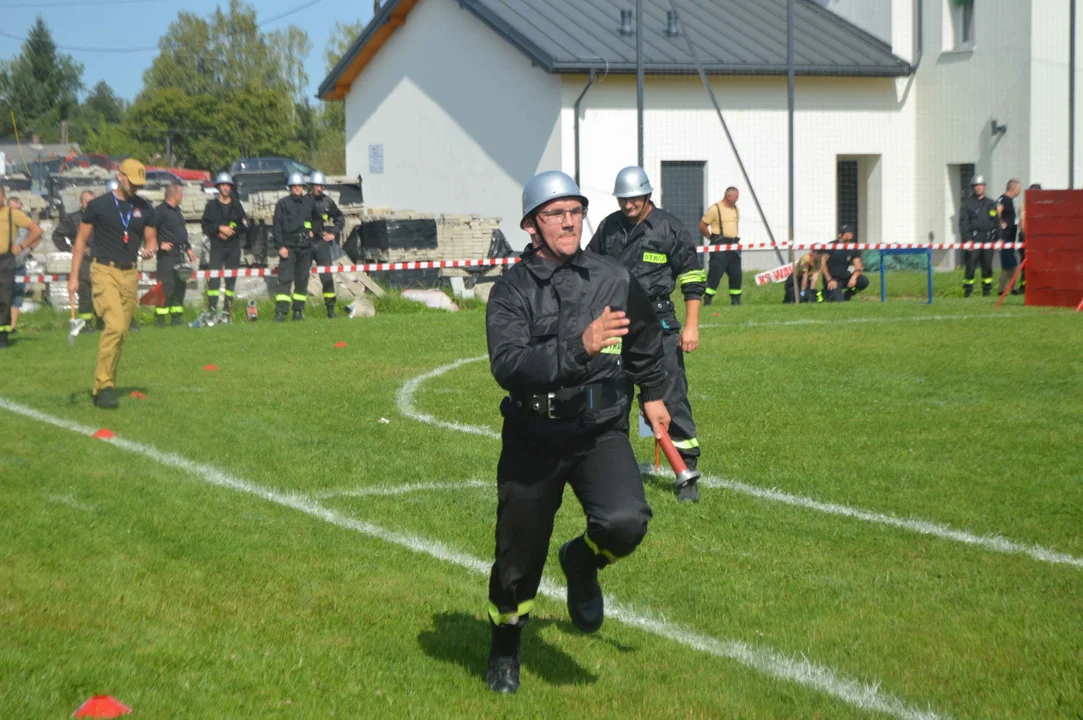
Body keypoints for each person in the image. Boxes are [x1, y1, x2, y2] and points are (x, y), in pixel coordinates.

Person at [483, 171, 670, 694]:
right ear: (531, 226)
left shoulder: (612, 277)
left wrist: (654, 395)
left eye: (575, 211)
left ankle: (580, 563)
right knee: (517, 562)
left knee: (626, 522)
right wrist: (580, 347)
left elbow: (645, 341)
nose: (569, 221)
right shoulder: (510, 291)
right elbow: (510, 365)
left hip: (598, 430)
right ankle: (504, 645)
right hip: (533, 436)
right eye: (555, 213)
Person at [587, 166, 705, 501]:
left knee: (670, 394)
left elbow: (692, 277)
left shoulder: (668, 227)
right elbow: (591, 269)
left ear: (647, 195)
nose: (628, 205)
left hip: (658, 323)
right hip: (617, 321)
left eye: (634, 198)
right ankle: (610, 464)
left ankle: (687, 471)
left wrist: (692, 325)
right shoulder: (609, 227)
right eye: (623, 199)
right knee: (611, 394)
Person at [68, 159, 157, 409]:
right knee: (115, 326)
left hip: (130, 274)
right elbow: (80, 242)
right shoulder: (99, 206)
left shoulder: (144, 208)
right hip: (103, 271)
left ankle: (104, 387)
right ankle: (104, 385)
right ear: (120, 176)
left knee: (121, 334)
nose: (136, 188)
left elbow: (151, 240)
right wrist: (74, 277)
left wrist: (151, 250)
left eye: (140, 183)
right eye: (133, 182)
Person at [272, 173, 321, 321]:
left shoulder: (309, 203)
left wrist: (314, 230)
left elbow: (318, 220)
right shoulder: (283, 204)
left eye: (300, 186)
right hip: (289, 248)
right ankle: (281, 312)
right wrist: (280, 246)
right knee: (285, 279)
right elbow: (277, 227)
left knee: (302, 280)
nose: (298, 188)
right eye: (295, 186)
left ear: (303, 188)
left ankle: (298, 312)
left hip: (305, 247)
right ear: (290, 188)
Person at [201, 172, 248, 322]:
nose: (225, 188)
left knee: (230, 279)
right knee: (214, 278)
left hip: (233, 246)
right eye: (222, 185)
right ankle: (212, 310)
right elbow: (205, 226)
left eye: (228, 185)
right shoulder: (211, 206)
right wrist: (219, 229)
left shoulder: (236, 205)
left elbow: (244, 225)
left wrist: (231, 231)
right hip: (217, 246)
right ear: (218, 187)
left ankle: (227, 310)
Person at [0, 188, 43, 348]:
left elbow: (37, 231)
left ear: (3, 197)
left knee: (4, 300)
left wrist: (22, 247)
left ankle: (3, 337)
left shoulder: (12, 214)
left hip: (5, 260)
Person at [53, 190, 98, 333]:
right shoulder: (74, 219)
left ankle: (102, 321)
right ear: (81, 203)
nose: (91, 205)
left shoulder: (101, 218)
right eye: (87, 202)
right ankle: (87, 324)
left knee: (102, 292)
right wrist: (69, 249)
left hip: (100, 259)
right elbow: (57, 235)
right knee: (85, 292)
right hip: (83, 259)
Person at [155, 183, 196, 328]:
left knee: (180, 286)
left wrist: (188, 248)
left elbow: (181, 233)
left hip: (179, 255)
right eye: (181, 194)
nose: (182, 196)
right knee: (167, 287)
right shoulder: (160, 211)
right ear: (174, 196)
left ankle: (176, 317)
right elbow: (149, 232)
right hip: (166, 256)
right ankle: (160, 319)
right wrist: (160, 245)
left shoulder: (177, 211)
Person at [308, 171, 346, 318]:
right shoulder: (304, 201)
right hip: (306, 243)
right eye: (316, 185)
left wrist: (333, 233)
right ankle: (298, 312)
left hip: (322, 243)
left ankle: (330, 309)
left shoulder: (327, 202)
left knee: (327, 277)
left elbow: (340, 218)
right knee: (302, 276)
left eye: (321, 186)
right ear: (311, 186)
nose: (319, 188)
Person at [699, 186, 742, 305]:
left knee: (736, 273)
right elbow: (702, 226)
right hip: (720, 245)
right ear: (728, 197)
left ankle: (736, 300)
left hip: (734, 245)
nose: (737, 199)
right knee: (715, 273)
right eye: (736, 197)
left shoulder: (735, 209)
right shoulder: (715, 209)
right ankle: (708, 299)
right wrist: (712, 239)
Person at [958, 174, 1000, 297]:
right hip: (974, 240)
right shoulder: (967, 204)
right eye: (976, 186)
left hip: (988, 240)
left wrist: (999, 239)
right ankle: (968, 291)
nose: (978, 188)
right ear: (973, 188)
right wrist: (968, 239)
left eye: (980, 185)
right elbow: (963, 223)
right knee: (970, 267)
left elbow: (996, 222)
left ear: (984, 187)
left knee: (987, 267)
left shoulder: (991, 203)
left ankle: (986, 292)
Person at [821, 225, 868, 301]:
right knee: (838, 301)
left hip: (844, 277)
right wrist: (829, 280)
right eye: (840, 233)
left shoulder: (854, 248)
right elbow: (823, 263)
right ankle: (824, 293)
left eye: (843, 233)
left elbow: (858, 266)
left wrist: (853, 278)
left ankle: (847, 295)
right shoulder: (832, 245)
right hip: (832, 278)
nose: (840, 235)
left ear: (850, 236)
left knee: (863, 281)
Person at [996, 179, 1022, 296]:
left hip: (1009, 240)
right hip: (1005, 239)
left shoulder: (1006, 199)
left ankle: (1011, 289)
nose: (1019, 191)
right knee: (1010, 265)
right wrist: (1001, 221)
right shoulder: (1005, 200)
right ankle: (1004, 290)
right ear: (1013, 188)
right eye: (1019, 188)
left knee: (1009, 265)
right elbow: (998, 210)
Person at [1017, 183, 1041, 294]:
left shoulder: (1042, 205)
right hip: (1026, 237)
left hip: (1038, 237)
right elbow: (1023, 224)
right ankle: (1024, 286)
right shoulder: (1024, 205)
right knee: (1025, 263)